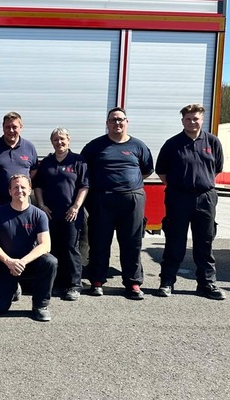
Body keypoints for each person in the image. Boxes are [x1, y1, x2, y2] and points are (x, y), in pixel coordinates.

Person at [80, 107, 154, 300]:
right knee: (99, 241)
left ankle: (133, 283)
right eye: (113, 120)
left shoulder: (139, 146)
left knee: (132, 242)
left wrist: (128, 185)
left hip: (131, 200)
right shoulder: (95, 146)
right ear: (107, 123)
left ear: (127, 122)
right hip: (102, 200)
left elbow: (146, 170)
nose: (117, 123)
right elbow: (82, 171)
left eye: (120, 120)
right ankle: (96, 281)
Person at [155, 104, 225, 300]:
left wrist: (201, 184)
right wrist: (181, 187)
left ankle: (207, 284)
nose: (192, 122)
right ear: (182, 121)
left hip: (205, 198)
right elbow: (161, 171)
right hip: (178, 198)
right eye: (188, 119)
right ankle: (167, 282)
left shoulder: (213, 142)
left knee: (205, 242)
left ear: (202, 120)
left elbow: (217, 168)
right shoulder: (172, 144)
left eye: (196, 119)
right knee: (174, 242)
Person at [0, 174, 58, 321]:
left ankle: (40, 306)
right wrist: (9, 261)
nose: (20, 190)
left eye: (23, 187)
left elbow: (45, 245)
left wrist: (22, 262)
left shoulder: (39, 214)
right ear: (10, 191)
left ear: (30, 189)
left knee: (50, 262)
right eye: (15, 187)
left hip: (28, 263)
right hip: (5, 263)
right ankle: (13, 289)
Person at [33, 127, 89, 301]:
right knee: (53, 248)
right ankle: (56, 283)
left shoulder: (78, 161)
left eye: (62, 139)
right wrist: (41, 205)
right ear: (52, 142)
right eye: (56, 139)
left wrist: (76, 207)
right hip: (50, 214)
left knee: (71, 248)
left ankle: (74, 285)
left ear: (69, 140)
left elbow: (84, 186)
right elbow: (38, 186)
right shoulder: (47, 162)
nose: (59, 142)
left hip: (71, 213)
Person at [0, 112, 38, 212]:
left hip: (22, 201)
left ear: (21, 127)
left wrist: (22, 182)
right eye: (7, 127)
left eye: (14, 127)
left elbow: (33, 170)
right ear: (3, 128)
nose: (11, 130)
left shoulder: (29, 147)